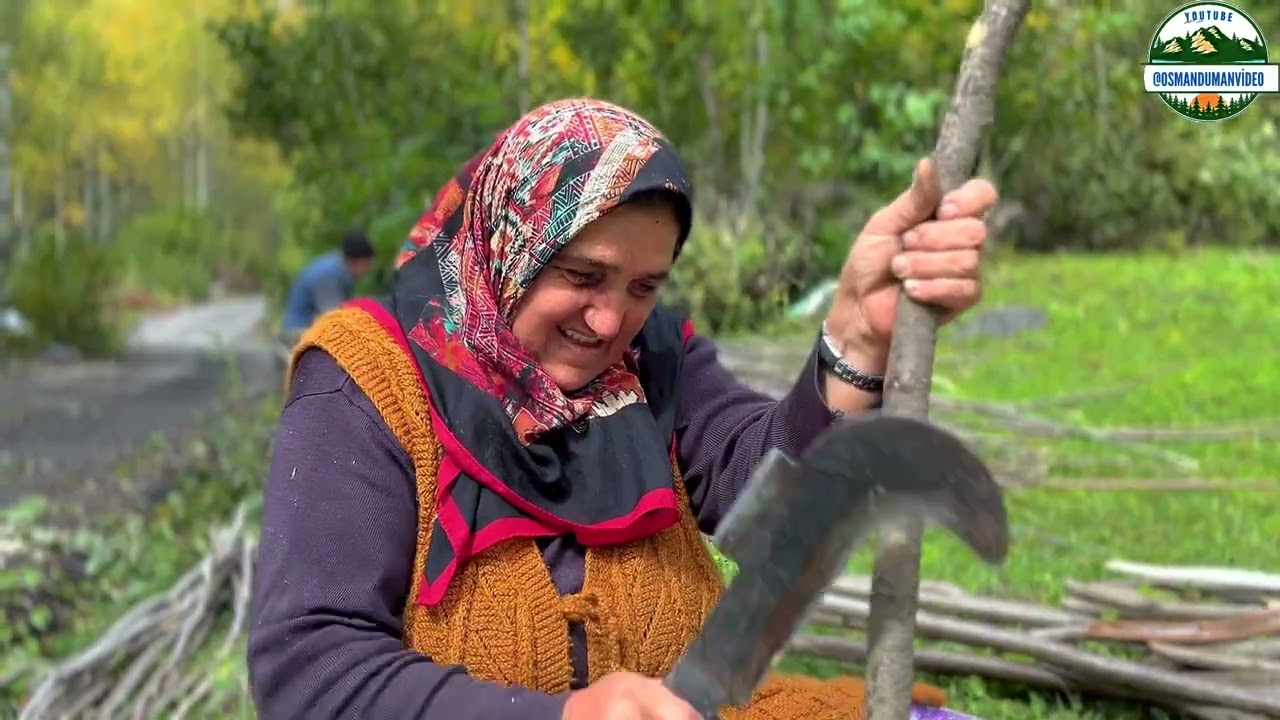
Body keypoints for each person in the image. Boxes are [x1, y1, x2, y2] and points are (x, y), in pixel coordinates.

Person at [248, 98, 997, 720]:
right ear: (508, 244)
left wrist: (860, 337)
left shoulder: (653, 360)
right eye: (582, 275)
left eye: (644, 287)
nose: (608, 322)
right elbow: (311, 669)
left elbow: (766, 497)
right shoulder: (367, 382)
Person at [277, 229, 376, 347]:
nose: (368, 270)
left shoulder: (340, 268)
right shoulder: (328, 276)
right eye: (367, 265)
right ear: (359, 262)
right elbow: (333, 317)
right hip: (296, 332)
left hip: (309, 328)